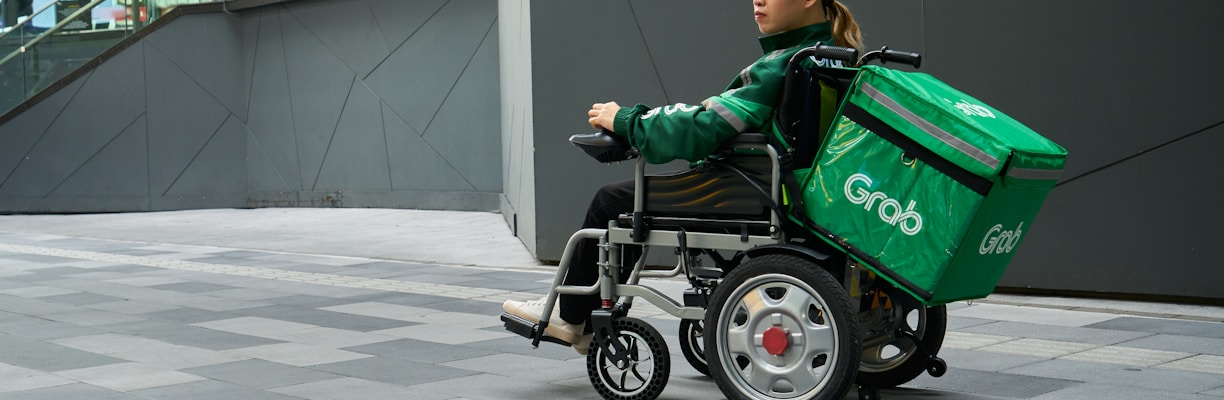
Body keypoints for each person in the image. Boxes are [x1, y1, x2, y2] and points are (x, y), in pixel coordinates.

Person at [503, 0, 864, 354]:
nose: (758, 0)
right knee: (624, 199)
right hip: (793, 189)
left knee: (610, 202)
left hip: (747, 187)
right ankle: (583, 309)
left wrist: (628, 121)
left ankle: (571, 317)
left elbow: (707, 128)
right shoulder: (836, 56)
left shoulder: (782, 63)